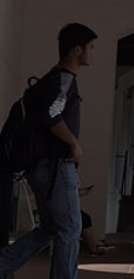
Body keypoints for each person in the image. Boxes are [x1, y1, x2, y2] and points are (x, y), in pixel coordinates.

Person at [0, 22, 97, 279]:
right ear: (77, 50)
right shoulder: (64, 79)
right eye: (90, 47)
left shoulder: (50, 78)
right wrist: (74, 144)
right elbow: (50, 114)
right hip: (55, 166)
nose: (92, 52)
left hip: (39, 166)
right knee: (70, 228)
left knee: (52, 228)